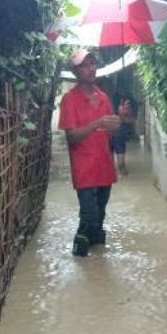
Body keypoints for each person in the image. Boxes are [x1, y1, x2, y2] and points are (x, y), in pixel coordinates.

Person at [58, 49, 131, 257]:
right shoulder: (69, 100)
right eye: (85, 65)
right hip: (84, 169)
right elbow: (71, 137)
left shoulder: (103, 97)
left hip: (104, 166)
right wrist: (96, 123)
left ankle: (98, 268)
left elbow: (111, 132)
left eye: (92, 63)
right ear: (75, 71)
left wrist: (120, 118)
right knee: (89, 216)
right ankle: (80, 256)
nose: (91, 68)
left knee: (99, 217)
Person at [111, 94, 136, 176]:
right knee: (117, 157)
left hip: (119, 137)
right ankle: (120, 171)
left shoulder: (128, 115)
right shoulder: (117, 112)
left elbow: (131, 121)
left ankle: (122, 171)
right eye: (126, 105)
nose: (127, 108)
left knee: (120, 156)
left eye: (128, 106)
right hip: (115, 136)